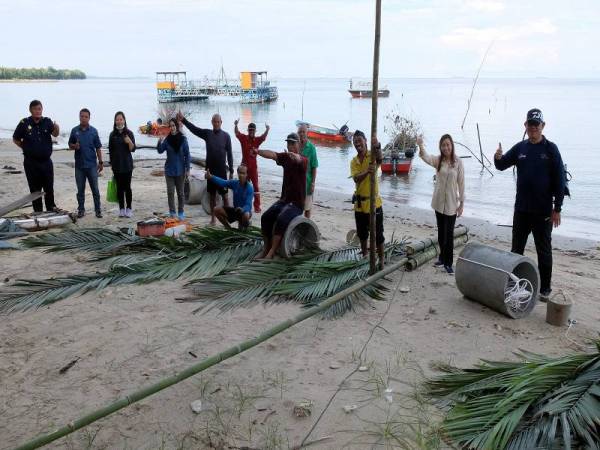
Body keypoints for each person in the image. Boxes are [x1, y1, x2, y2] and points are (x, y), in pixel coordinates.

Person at [494, 108, 566, 301]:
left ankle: (545, 288)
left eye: (537, 125)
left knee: (544, 250)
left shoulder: (551, 149)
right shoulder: (520, 148)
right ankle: (513, 282)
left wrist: (557, 208)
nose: (533, 128)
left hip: (543, 211)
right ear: (525, 126)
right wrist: (497, 157)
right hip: (522, 210)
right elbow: (501, 166)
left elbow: (560, 181)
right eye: (530, 125)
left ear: (543, 126)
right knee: (516, 249)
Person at [417, 134, 465, 274]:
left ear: (452, 145)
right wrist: (420, 144)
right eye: (443, 145)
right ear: (441, 147)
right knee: (440, 233)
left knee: (449, 235)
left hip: (451, 204)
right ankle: (442, 258)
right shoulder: (438, 161)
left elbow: (461, 184)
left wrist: (461, 204)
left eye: (448, 144)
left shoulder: (458, 162)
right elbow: (426, 157)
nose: (446, 147)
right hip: (438, 203)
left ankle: (449, 263)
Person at [256, 133, 307, 258]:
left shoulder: (304, 160)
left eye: (293, 143)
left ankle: (272, 252)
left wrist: (295, 156)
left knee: (282, 218)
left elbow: (299, 159)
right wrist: (257, 151)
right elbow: (272, 154)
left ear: (299, 144)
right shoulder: (285, 157)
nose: (290, 146)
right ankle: (266, 248)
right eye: (288, 143)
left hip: (297, 204)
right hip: (284, 200)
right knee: (265, 217)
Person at [177, 112, 233, 225]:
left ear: (221, 122)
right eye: (214, 121)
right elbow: (195, 129)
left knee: (225, 197)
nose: (216, 123)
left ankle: (228, 217)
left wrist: (231, 170)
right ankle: (213, 218)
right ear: (212, 122)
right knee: (212, 196)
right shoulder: (207, 134)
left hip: (222, 171)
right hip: (210, 171)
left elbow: (230, 154)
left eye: (218, 122)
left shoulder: (226, 136)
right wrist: (184, 120)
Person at [12, 99, 60, 212]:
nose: (37, 111)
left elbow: (55, 134)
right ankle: (38, 213)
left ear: (42, 109)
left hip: (46, 162)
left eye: (39, 109)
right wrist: (26, 148)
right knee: (35, 190)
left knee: (49, 188)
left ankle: (50, 210)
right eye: (35, 109)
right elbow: (15, 139)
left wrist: (57, 127)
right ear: (30, 110)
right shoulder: (24, 123)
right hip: (31, 163)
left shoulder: (47, 121)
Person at [351, 130, 385, 269]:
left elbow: (380, 158)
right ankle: (365, 255)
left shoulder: (372, 156)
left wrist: (377, 145)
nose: (357, 143)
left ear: (365, 141)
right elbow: (356, 178)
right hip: (360, 204)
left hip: (374, 204)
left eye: (359, 140)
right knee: (362, 234)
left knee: (378, 234)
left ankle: (381, 259)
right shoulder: (354, 161)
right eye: (355, 141)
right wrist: (367, 171)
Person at [68, 108, 103, 218]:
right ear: (79, 117)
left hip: (92, 165)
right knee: (80, 190)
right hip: (79, 166)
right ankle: (81, 210)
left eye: (86, 117)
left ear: (89, 118)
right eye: (82, 116)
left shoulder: (93, 131)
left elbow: (98, 147)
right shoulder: (74, 130)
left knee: (95, 190)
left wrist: (101, 162)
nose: (83, 118)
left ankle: (98, 210)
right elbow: (70, 144)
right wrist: (74, 146)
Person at [234, 119, 269, 213]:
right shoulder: (243, 138)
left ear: (255, 131)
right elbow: (237, 133)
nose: (251, 131)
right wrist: (236, 125)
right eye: (250, 130)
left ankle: (257, 206)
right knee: (243, 185)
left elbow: (263, 137)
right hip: (244, 167)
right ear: (248, 130)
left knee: (256, 187)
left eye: (253, 130)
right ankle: (243, 203)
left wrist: (267, 129)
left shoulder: (257, 140)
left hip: (253, 168)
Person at [157, 118, 190, 219]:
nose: (172, 128)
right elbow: (160, 150)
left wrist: (188, 168)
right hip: (169, 170)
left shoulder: (183, 139)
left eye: (173, 125)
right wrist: (160, 141)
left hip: (180, 170)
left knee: (180, 193)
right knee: (170, 192)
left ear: (177, 126)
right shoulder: (167, 139)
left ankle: (181, 212)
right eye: (170, 126)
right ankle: (172, 212)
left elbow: (187, 154)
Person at [205, 164, 253, 230]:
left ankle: (246, 226)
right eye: (240, 173)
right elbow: (223, 182)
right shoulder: (235, 183)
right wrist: (211, 177)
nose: (241, 175)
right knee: (216, 209)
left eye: (243, 173)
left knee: (246, 215)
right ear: (238, 173)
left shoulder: (249, 188)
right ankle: (228, 228)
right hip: (236, 210)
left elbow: (248, 205)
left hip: (245, 211)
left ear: (246, 174)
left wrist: (243, 209)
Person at [108, 111, 136, 218]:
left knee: (127, 187)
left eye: (121, 119)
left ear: (124, 120)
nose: (119, 121)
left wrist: (129, 141)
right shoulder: (112, 134)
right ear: (115, 121)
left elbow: (133, 149)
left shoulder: (129, 133)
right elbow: (110, 150)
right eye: (117, 119)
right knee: (119, 188)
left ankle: (129, 208)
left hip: (127, 165)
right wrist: (111, 163)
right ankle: (121, 209)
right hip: (116, 166)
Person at [297, 124, 318, 218]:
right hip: (296, 182)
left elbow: (314, 167)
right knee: (296, 207)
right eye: (299, 132)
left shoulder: (311, 148)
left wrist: (313, 183)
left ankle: (306, 226)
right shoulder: (295, 146)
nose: (301, 134)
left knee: (307, 208)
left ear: (307, 133)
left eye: (303, 132)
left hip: (307, 182)